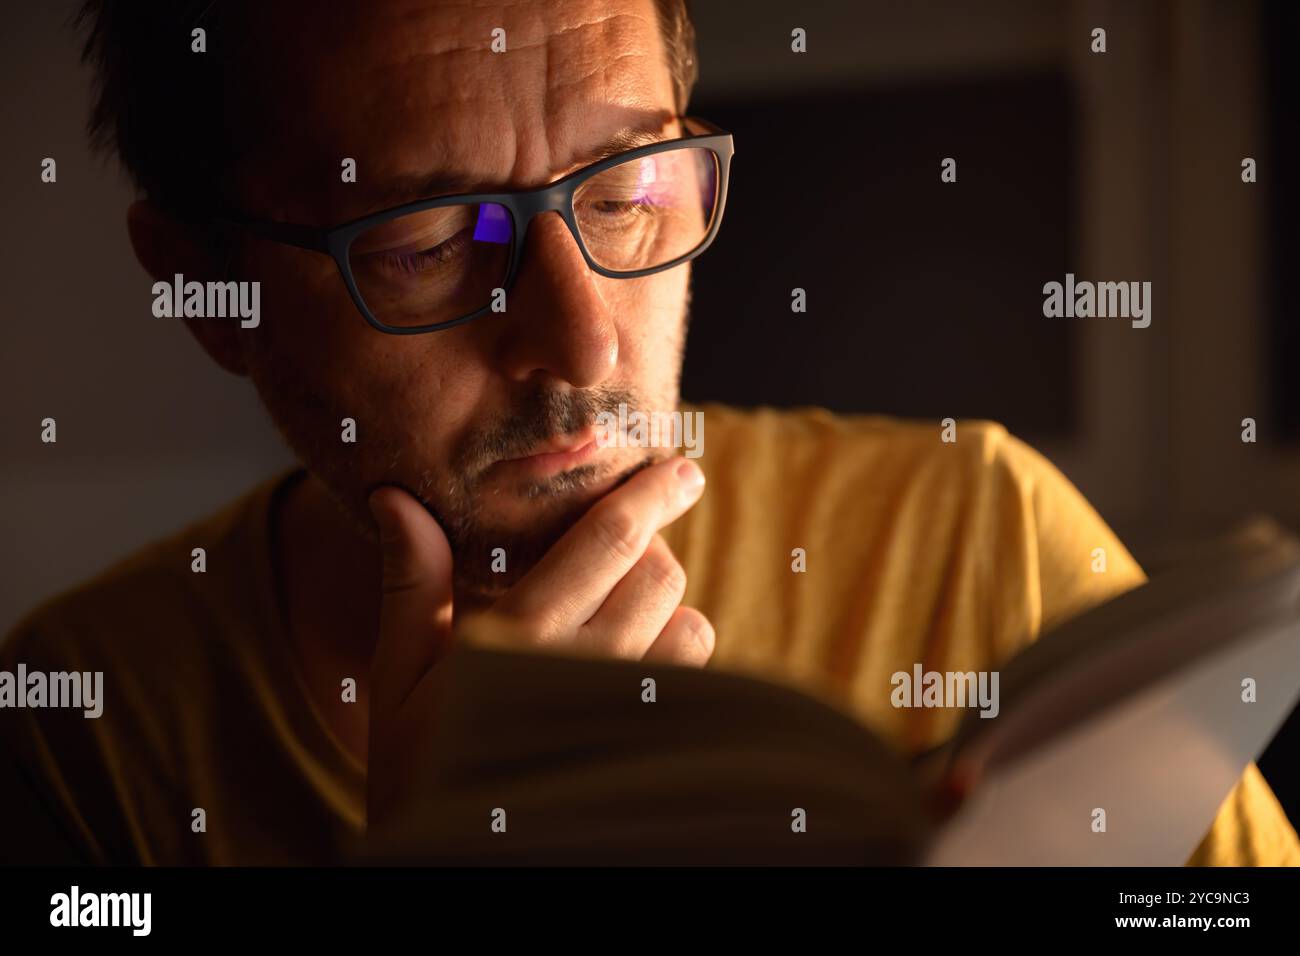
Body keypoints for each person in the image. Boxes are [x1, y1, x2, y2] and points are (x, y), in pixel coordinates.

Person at [2, 0, 1295, 865]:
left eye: (625, 194)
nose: (581, 345)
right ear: (202, 291)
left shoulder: (982, 536)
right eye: (431, 245)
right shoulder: (84, 733)